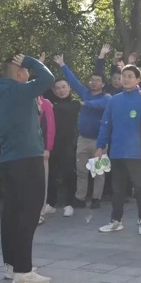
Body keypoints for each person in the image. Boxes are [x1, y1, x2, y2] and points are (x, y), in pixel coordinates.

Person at [0, 54, 55, 283]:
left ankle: (12, 265)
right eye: (26, 70)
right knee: (29, 212)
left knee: (12, 213)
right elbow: (48, 78)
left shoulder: (0, 94)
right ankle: (23, 271)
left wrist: (29, 63)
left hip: (11, 159)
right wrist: (30, 60)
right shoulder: (18, 91)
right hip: (27, 158)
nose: (29, 73)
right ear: (19, 73)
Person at [96, 65, 141, 235]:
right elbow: (105, 124)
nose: (126, 79)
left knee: (140, 188)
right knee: (118, 189)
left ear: (138, 79)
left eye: (130, 76)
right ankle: (116, 221)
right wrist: (100, 145)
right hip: (117, 151)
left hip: (136, 152)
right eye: (124, 76)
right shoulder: (114, 100)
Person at [54, 55, 111, 210]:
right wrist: (63, 65)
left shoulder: (107, 97)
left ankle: (96, 198)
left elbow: (99, 105)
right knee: (81, 171)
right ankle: (80, 198)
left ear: (103, 84)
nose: (94, 82)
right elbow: (73, 81)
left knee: (99, 171)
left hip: (99, 141)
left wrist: (84, 103)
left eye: (97, 80)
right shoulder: (85, 93)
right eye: (92, 80)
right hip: (83, 139)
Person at [46, 78, 81, 217]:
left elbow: (65, 110)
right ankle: (51, 203)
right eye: (58, 88)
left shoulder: (75, 103)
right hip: (53, 144)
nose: (61, 90)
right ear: (54, 90)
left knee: (68, 174)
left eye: (63, 87)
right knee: (51, 174)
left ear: (69, 88)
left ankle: (69, 204)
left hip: (68, 144)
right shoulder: (51, 103)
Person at [36, 96, 55, 225]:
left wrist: (47, 148)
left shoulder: (45, 103)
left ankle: (40, 212)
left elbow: (50, 127)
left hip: (41, 149)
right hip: (24, 151)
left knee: (41, 182)